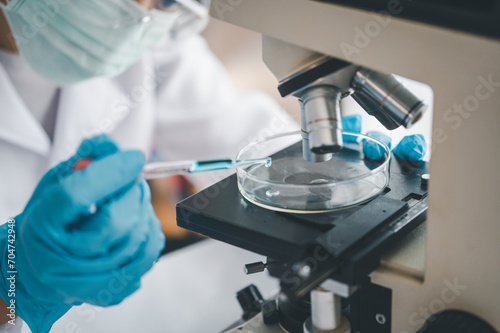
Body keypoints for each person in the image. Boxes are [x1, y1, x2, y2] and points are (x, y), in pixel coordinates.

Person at [0, 0, 296, 332]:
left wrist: (330, 167)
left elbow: (246, 144)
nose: (144, 9)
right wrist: (14, 282)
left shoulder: (142, 32)